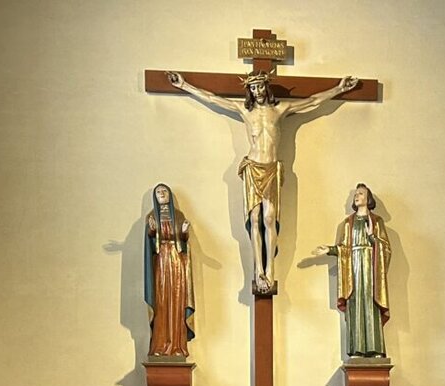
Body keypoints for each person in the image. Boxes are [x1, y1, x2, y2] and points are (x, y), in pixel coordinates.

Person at [167, 69, 358, 293]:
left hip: (272, 168)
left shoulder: (279, 110)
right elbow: (213, 99)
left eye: (259, 86)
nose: (257, 91)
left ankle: (270, 269)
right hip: (253, 167)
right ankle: (259, 269)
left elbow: (312, 101)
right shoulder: (245, 111)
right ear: (249, 90)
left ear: (266, 87)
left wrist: (340, 88)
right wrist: (184, 86)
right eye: (253, 88)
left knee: (269, 218)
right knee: (255, 219)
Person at [313, 183, 391, 357]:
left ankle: (376, 348)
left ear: (368, 198)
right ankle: (357, 349)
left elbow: (385, 248)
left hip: (371, 268)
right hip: (354, 268)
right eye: (356, 194)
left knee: (371, 303)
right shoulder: (349, 223)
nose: (357, 196)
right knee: (355, 304)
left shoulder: (377, 221)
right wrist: (330, 250)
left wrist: (372, 237)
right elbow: (345, 248)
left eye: (361, 194)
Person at [144, 183, 195, 357]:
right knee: (162, 303)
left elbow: (183, 239)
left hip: (176, 261)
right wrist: (151, 230)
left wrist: (185, 232)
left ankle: (177, 347)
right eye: (158, 192)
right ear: (155, 197)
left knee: (176, 303)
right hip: (160, 262)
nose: (161, 194)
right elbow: (150, 241)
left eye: (164, 191)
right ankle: (159, 346)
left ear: (169, 195)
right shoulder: (152, 216)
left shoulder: (179, 215)